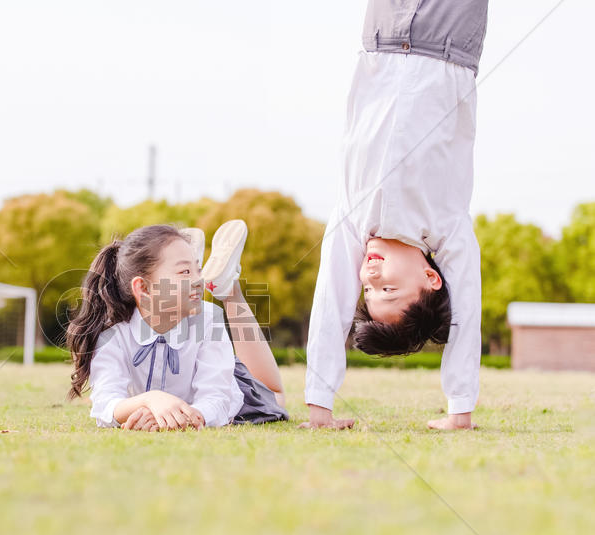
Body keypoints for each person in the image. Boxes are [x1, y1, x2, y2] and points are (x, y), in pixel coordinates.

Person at [303, 0, 489, 430]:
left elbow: (330, 305)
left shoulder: (351, 221)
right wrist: (460, 408)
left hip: (383, 39)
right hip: (448, 40)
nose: (368, 279)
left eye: (369, 293)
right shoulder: (448, 230)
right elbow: (468, 316)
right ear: (431, 278)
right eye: (388, 288)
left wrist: (319, 410)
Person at [66, 221, 289, 431]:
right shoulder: (112, 334)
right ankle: (196, 267)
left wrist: (179, 416)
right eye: (185, 272)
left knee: (275, 394)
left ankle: (228, 288)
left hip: (222, 379)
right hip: (178, 388)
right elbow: (105, 404)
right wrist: (150, 400)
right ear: (143, 288)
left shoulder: (208, 318)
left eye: (198, 270)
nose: (198, 280)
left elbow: (217, 400)